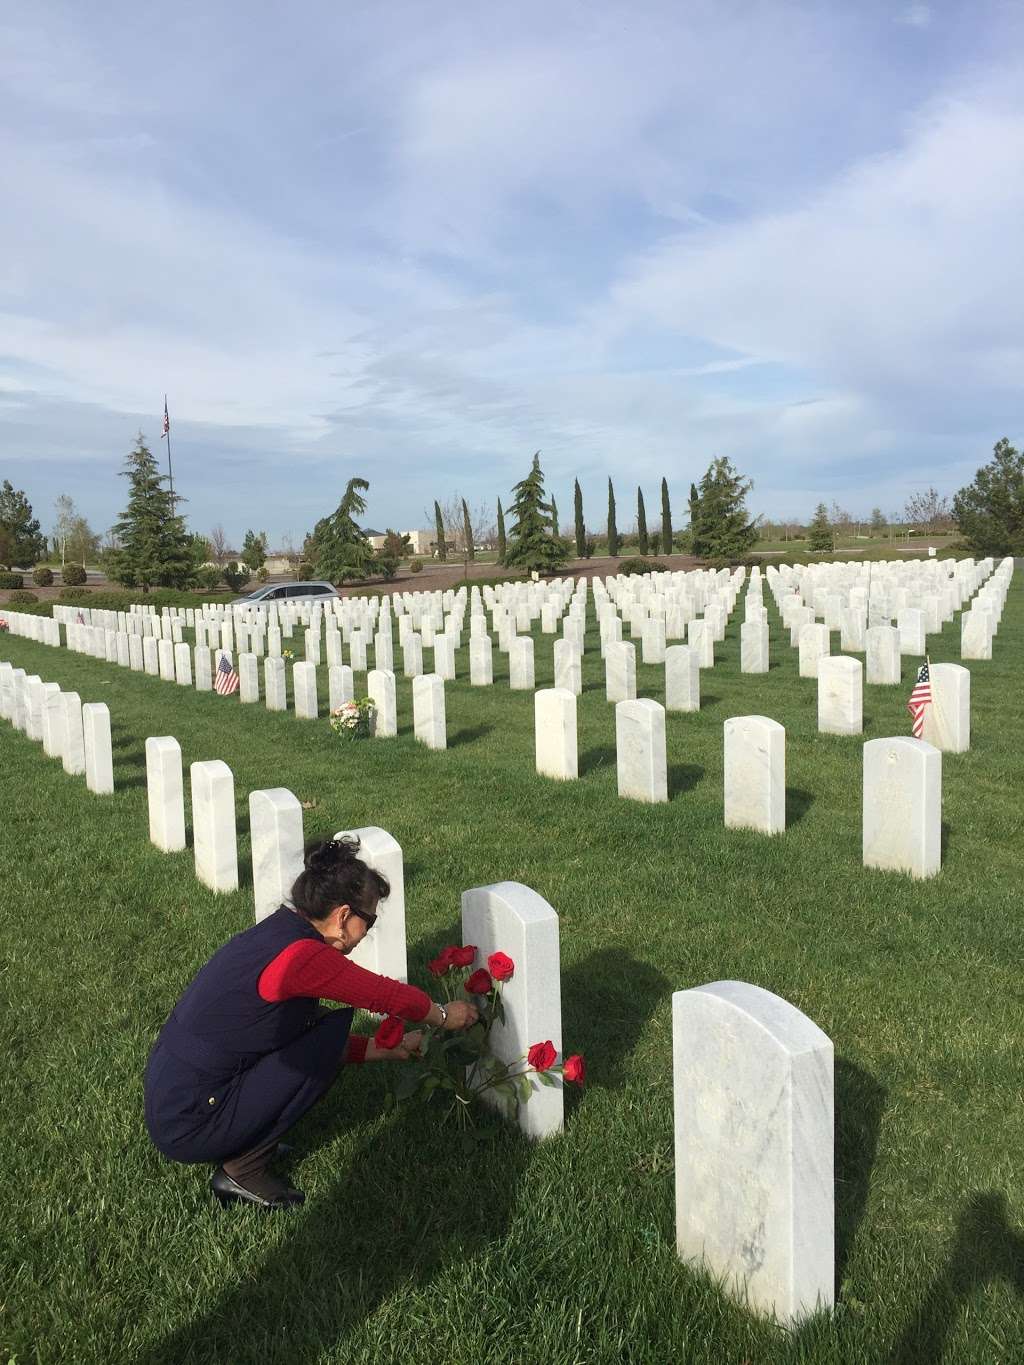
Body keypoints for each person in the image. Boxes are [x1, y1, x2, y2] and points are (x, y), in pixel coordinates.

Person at [144, 836, 478, 1210]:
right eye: (369, 920)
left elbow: (291, 1035)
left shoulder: (282, 930)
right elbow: (381, 995)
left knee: (320, 1034)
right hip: (190, 1120)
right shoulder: (302, 958)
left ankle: (247, 1138)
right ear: (343, 916)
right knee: (327, 1035)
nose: (368, 931)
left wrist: (385, 1049)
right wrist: (444, 1015)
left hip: (176, 1098)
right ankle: (242, 1168)